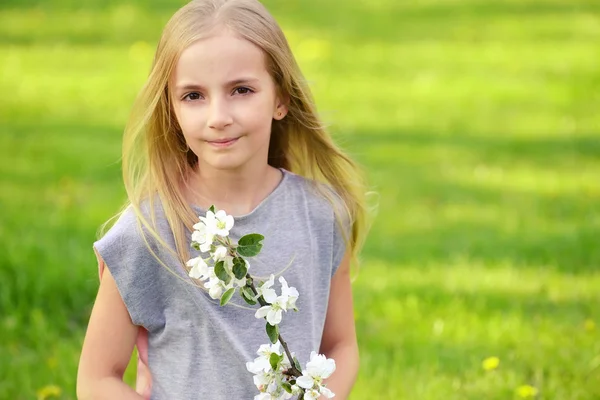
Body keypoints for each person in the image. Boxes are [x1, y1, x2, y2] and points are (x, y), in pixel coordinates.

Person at [76, 0, 370, 398]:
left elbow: (341, 346)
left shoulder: (322, 213)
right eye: (194, 96)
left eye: (241, 90)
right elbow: (98, 378)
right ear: (172, 109)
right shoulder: (150, 232)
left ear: (280, 99)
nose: (218, 116)